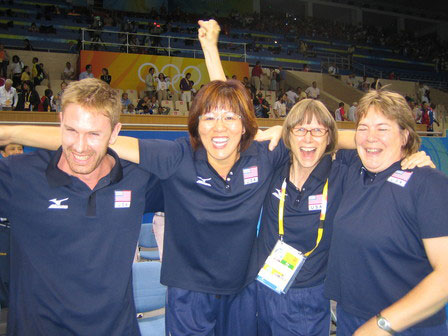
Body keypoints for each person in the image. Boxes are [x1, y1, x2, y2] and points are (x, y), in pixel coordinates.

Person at [0, 78, 163, 335]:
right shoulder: (18, 176)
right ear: (60, 122)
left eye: (94, 134)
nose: (80, 147)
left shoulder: (138, 179)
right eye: (72, 130)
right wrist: (6, 132)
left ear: (115, 132)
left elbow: (201, 160)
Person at [325, 90, 448, 335]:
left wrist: (382, 325)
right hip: (351, 317)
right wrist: (279, 129)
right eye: (363, 128)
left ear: (404, 136)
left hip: (405, 326)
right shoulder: (352, 168)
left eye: (383, 128)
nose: (371, 138)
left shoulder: (427, 183)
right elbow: (330, 137)